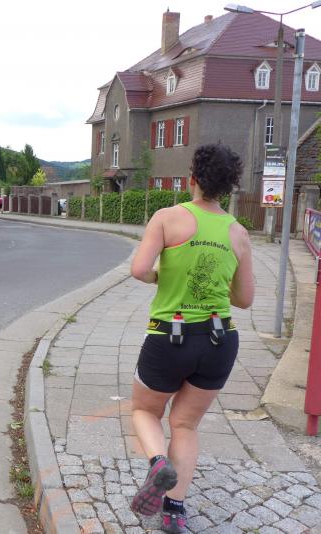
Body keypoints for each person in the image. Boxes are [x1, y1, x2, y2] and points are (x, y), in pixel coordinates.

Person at [128, 143, 254, 532]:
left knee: (145, 411)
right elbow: (245, 299)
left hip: (170, 336)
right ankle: (174, 511)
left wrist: (161, 277)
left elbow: (139, 269)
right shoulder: (239, 233)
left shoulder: (167, 218)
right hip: (219, 340)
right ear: (229, 187)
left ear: (192, 179)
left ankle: (158, 464)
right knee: (185, 425)